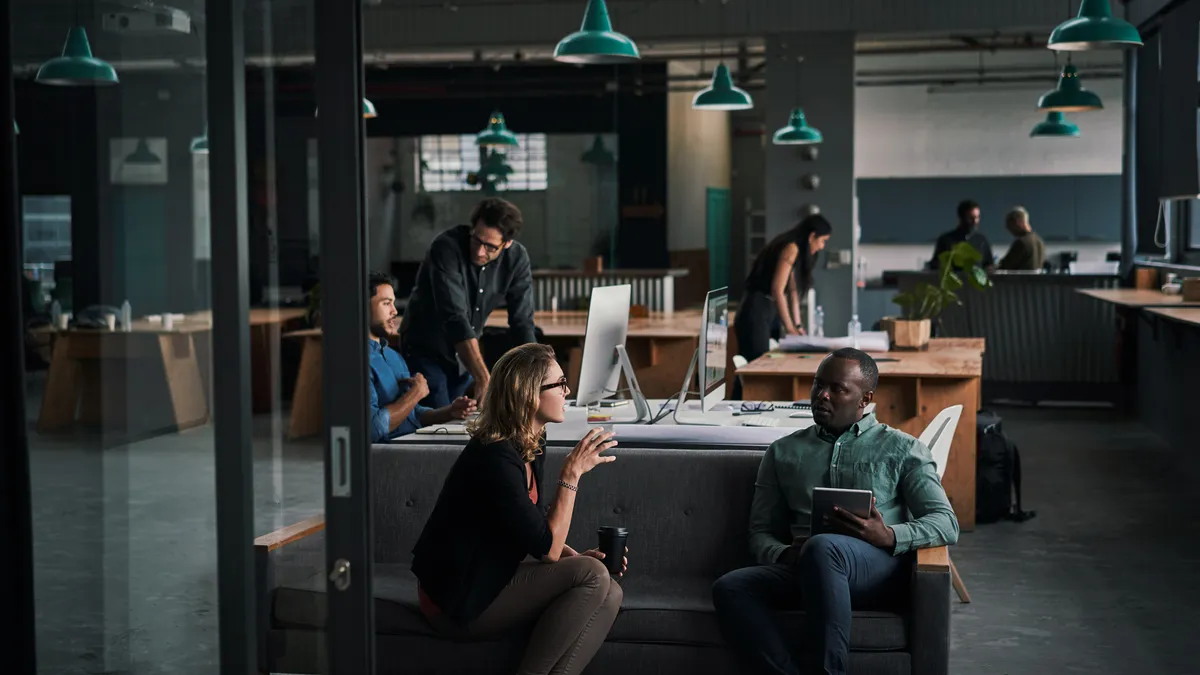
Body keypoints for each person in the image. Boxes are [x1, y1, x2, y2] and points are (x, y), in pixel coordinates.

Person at [712, 348, 959, 675]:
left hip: (876, 570)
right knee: (730, 587)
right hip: (805, 566)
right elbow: (760, 533)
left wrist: (888, 535)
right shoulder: (783, 451)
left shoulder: (903, 449)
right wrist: (785, 553)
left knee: (824, 546)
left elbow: (946, 523)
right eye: (818, 385)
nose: (822, 395)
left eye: (838, 389)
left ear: (864, 398)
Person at [411, 343, 626, 675]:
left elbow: (532, 527)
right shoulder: (494, 457)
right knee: (593, 576)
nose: (568, 391)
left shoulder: (531, 443)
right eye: (560, 383)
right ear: (529, 395)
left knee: (610, 590)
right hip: (455, 598)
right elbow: (547, 551)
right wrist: (571, 474)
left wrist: (577, 557)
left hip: (490, 576)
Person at [400, 197, 536, 408]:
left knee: (458, 424)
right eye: (477, 240)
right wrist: (483, 376)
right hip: (425, 349)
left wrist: (536, 373)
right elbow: (455, 317)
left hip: (463, 359)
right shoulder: (446, 248)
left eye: (490, 247)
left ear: (507, 244)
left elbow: (522, 321)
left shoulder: (517, 258)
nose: (480, 251)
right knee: (438, 424)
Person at [367, 271, 476, 442]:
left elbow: (414, 414)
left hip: (412, 442)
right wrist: (416, 393)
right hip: (388, 453)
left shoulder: (393, 356)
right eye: (386, 303)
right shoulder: (357, 362)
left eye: (393, 303)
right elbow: (373, 428)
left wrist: (449, 412)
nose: (394, 311)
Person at [732, 214, 832, 399]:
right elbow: (778, 289)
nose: (822, 246)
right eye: (823, 240)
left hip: (768, 310)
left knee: (768, 362)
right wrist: (790, 327)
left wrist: (798, 326)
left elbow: (792, 292)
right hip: (756, 308)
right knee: (755, 367)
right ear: (812, 236)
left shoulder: (798, 251)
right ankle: (738, 406)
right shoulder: (791, 248)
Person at [930, 199, 994, 269]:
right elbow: (936, 265)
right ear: (961, 218)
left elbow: (989, 265)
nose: (975, 221)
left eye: (977, 217)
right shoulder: (946, 240)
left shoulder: (982, 240)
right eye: (971, 218)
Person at [997, 206, 1046, 271]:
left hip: (1021, 281)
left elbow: (1005, 266)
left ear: (1017, 222)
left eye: (1009, 225)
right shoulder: (1039, 241)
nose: (1008, 229)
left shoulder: (1021, 242)